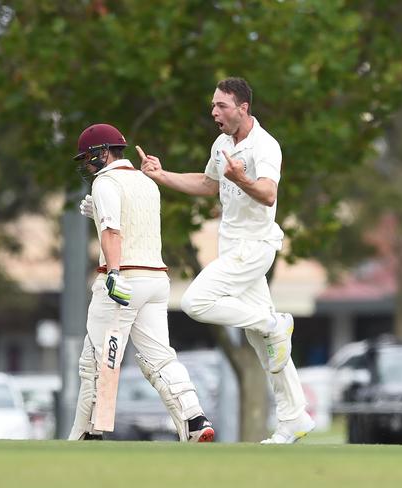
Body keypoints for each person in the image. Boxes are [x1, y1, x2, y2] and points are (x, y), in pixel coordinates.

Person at [136, 77, 315, 443]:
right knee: (265, 345)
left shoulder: (266, 146)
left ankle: (273, 322)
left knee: (195, 302)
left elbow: (267, 194)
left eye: (221, 106)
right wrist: (161, 175)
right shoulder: (221, 144)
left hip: (255, 246)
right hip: (232, 247)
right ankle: (294, 417)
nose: (214, 111)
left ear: (243, 108)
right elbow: (208, 184)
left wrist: (241, 177)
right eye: (213, 105)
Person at [69, 123, 214, 442]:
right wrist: (99, 212)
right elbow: (133, 222)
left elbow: (113, 232)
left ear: (102, 152)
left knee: (97, 360)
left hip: (124, 279)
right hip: (156, 280)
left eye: (89, 158)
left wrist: (114, 274)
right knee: (159, 357)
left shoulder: (105, 182)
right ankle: (194, 420)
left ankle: (88, 435)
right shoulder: (147, 183)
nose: (87, 165)